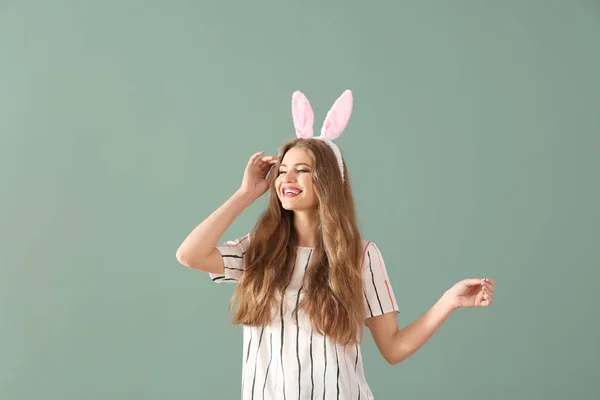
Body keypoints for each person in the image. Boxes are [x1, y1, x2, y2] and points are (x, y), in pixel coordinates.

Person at [176, 90, 495, 400]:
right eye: (282, 171)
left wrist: (448, 301)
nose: (288, 178)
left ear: (328, 181)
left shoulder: (361, 256)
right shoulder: (256, 250)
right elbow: (189, 255)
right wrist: (245, 193)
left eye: (302, 170)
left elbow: (394, 349)